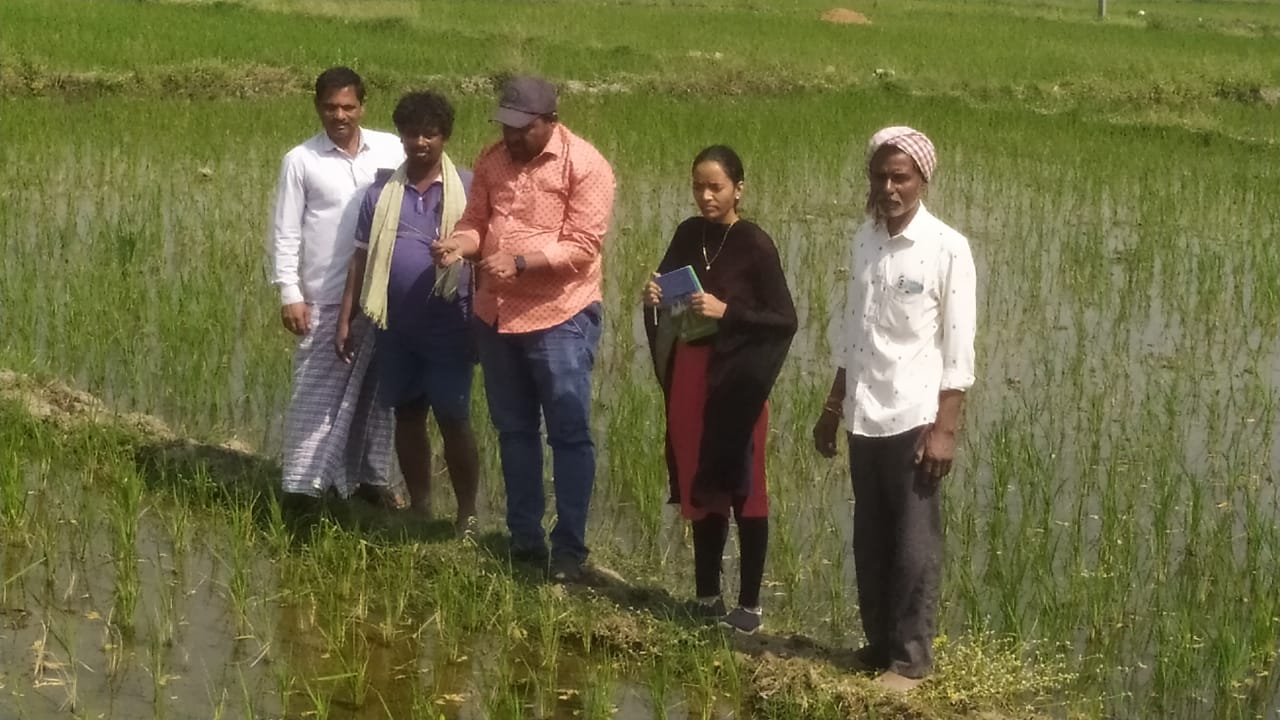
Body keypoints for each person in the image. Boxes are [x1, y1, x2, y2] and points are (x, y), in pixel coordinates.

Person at [812, 126, 977, 691]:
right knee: (871, 537)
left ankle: (910, 660)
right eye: (880, 176)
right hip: (864, 412)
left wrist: (945, 429)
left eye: (900, 176)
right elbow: (852, 332)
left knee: (914, 545)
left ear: (922, 179)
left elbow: (958, 347)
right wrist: (833, 406)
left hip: (914, 417)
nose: (889, 187)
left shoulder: (946, 247)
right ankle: (878, 644)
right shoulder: (865, 240)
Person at [432, 76, 616, 581]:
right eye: (506, 126)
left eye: (522, 128)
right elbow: (474, 221)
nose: (511, 137)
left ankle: (570, 550)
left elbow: (583, 246)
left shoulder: (586, 165)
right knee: (513, 431)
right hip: (496, 318)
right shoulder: (493, 160)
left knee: (569, 434)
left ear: (550, 123)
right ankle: (525, 540)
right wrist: (458, 246)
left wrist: (522, 262)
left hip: (559, 315)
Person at [642, 146, 797, 634]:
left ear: (739, 190)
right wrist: (655, 296)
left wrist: (726, 311)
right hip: (689, 374)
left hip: (738, 382)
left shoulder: (754, 244)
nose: (706, 196)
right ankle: (707, 596)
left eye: (717, 187)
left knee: (745, 488)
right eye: (698, 187)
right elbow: (668, 293)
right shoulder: (689, 233)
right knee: (698, 481)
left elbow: (783, 320)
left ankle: (748, 606)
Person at [337, 91, 480, 535]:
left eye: (430, 134)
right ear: (400, 136)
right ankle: (420, 506)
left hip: (451, 326)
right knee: (407, 414)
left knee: (454, 417)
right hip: (396, 326)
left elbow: (486, 254)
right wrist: (345, 319)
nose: (420, 142)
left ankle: (467, 515)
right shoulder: (380, 194)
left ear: (445, 137)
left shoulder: (470, 187)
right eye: (412, 133)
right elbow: (360, 259)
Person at [269, 66, 405, 501]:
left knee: (377, 396)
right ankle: (302, 487)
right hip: (324, 296)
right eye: (331, 107)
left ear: (362, 107)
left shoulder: (391, 149)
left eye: (348, 106)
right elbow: (285, 231)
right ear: (317, 107)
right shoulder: (301, 160)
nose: (340, 115)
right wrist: (290, 293)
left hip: (381, 295)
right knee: (316, 395)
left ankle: (370, 481)